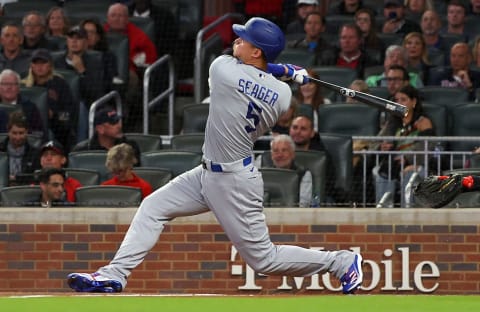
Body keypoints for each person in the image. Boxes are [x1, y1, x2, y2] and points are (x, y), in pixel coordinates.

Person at [67, 17, 363, 294]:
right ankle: (115, 273)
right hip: (209, 172)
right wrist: (285, 73)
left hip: (234, 180)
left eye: (244, 39)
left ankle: (340, 262)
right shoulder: (284, 96)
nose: (237, 40)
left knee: (264, 259)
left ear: (257, 50)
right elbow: (259, 74)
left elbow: (238, 65)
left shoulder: (222, 70)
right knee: (152, 207)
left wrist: (282, 69)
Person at [372, 84, 435, 205]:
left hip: (417, 165)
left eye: (403, 99)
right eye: (396, 100)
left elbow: (428, 147)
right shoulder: (392, 122)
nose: (399, 103)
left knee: (409, 174)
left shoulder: (423, 122)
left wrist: (407, 158)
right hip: (393, 164)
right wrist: (381, 147)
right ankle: (383, 210)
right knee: (382, 172)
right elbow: (375, 142)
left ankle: (405, 213)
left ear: (413, 102)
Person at [104, 2, 158, 131]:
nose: (117, 19)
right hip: (103, 72)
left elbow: (150, 59)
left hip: (129, 74)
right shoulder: (100, 33)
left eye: (121, 16)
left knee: (130, 78)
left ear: (127, 19)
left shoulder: (139, 36)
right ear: (107, 18)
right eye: (113, 15)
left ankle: (124, 116)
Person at [53, 25, 107, 141]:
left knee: (80, 107)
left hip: (84, 105)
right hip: (60, 105)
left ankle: (80, 146)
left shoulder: (95, 62)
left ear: (86, 42)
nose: (74, 41)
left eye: (79, 38)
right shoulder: (57, 62)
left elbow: (96, 93)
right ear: (66, 40)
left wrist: (82, 71)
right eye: (71, 38)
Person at [22, 48, 77, 151]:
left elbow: (69, 113)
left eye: (43, 62)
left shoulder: (60, 84)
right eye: (36, 63)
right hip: (28, 128)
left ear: (50, 65)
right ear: (31, 65)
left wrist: (54, 115)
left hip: (56, 130)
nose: (39, 66)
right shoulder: (24, 85)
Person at [255, 134, 313, 207]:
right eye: (276, 151)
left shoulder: (304, 174)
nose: (280, 155)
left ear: (292, 154)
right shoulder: (261, 171)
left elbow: (304, 205)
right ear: (271, 155)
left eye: (284, 150)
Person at [71, 107, 141, 165]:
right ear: (100, 129)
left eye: (118, 121)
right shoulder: (82, 151)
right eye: (113, 123)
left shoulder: (131, 147)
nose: (119, 126)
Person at [0, 69, 45, 139]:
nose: (9, 87)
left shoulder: (30, 108)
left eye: (13, 84)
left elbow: (39, 133)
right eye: (5, 84)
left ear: (18, 88)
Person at [0, 111, 41, 186]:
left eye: (21, 133)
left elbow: (36, 178)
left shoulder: (35, 154)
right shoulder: (1, 151)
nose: (18, 137)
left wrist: (16, 179)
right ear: (8, 131)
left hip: (26, 192)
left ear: (27, 132)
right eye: (14, 133)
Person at [80, 18, 117, 91]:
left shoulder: (107, 58)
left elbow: (105, 86)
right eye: (85, 32)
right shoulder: (74, 54)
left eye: (92, 32)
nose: (88, 35)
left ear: (98, 37)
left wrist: (83, 71)